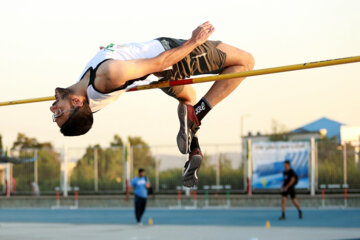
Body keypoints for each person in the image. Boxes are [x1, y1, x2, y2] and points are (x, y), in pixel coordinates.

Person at [50, 21, 255, 187]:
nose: (53, 108)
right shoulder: (108, 74)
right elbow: (159, 62)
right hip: (172, 56)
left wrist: (110, 52)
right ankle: (197, 115)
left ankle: (194, 147)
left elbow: (81, 115)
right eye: (59, 113)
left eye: (55, 114)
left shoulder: (85, 89)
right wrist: (194, 41)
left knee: (188, 98)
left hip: (158, 78)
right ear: (77, 102)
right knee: (245, 62)